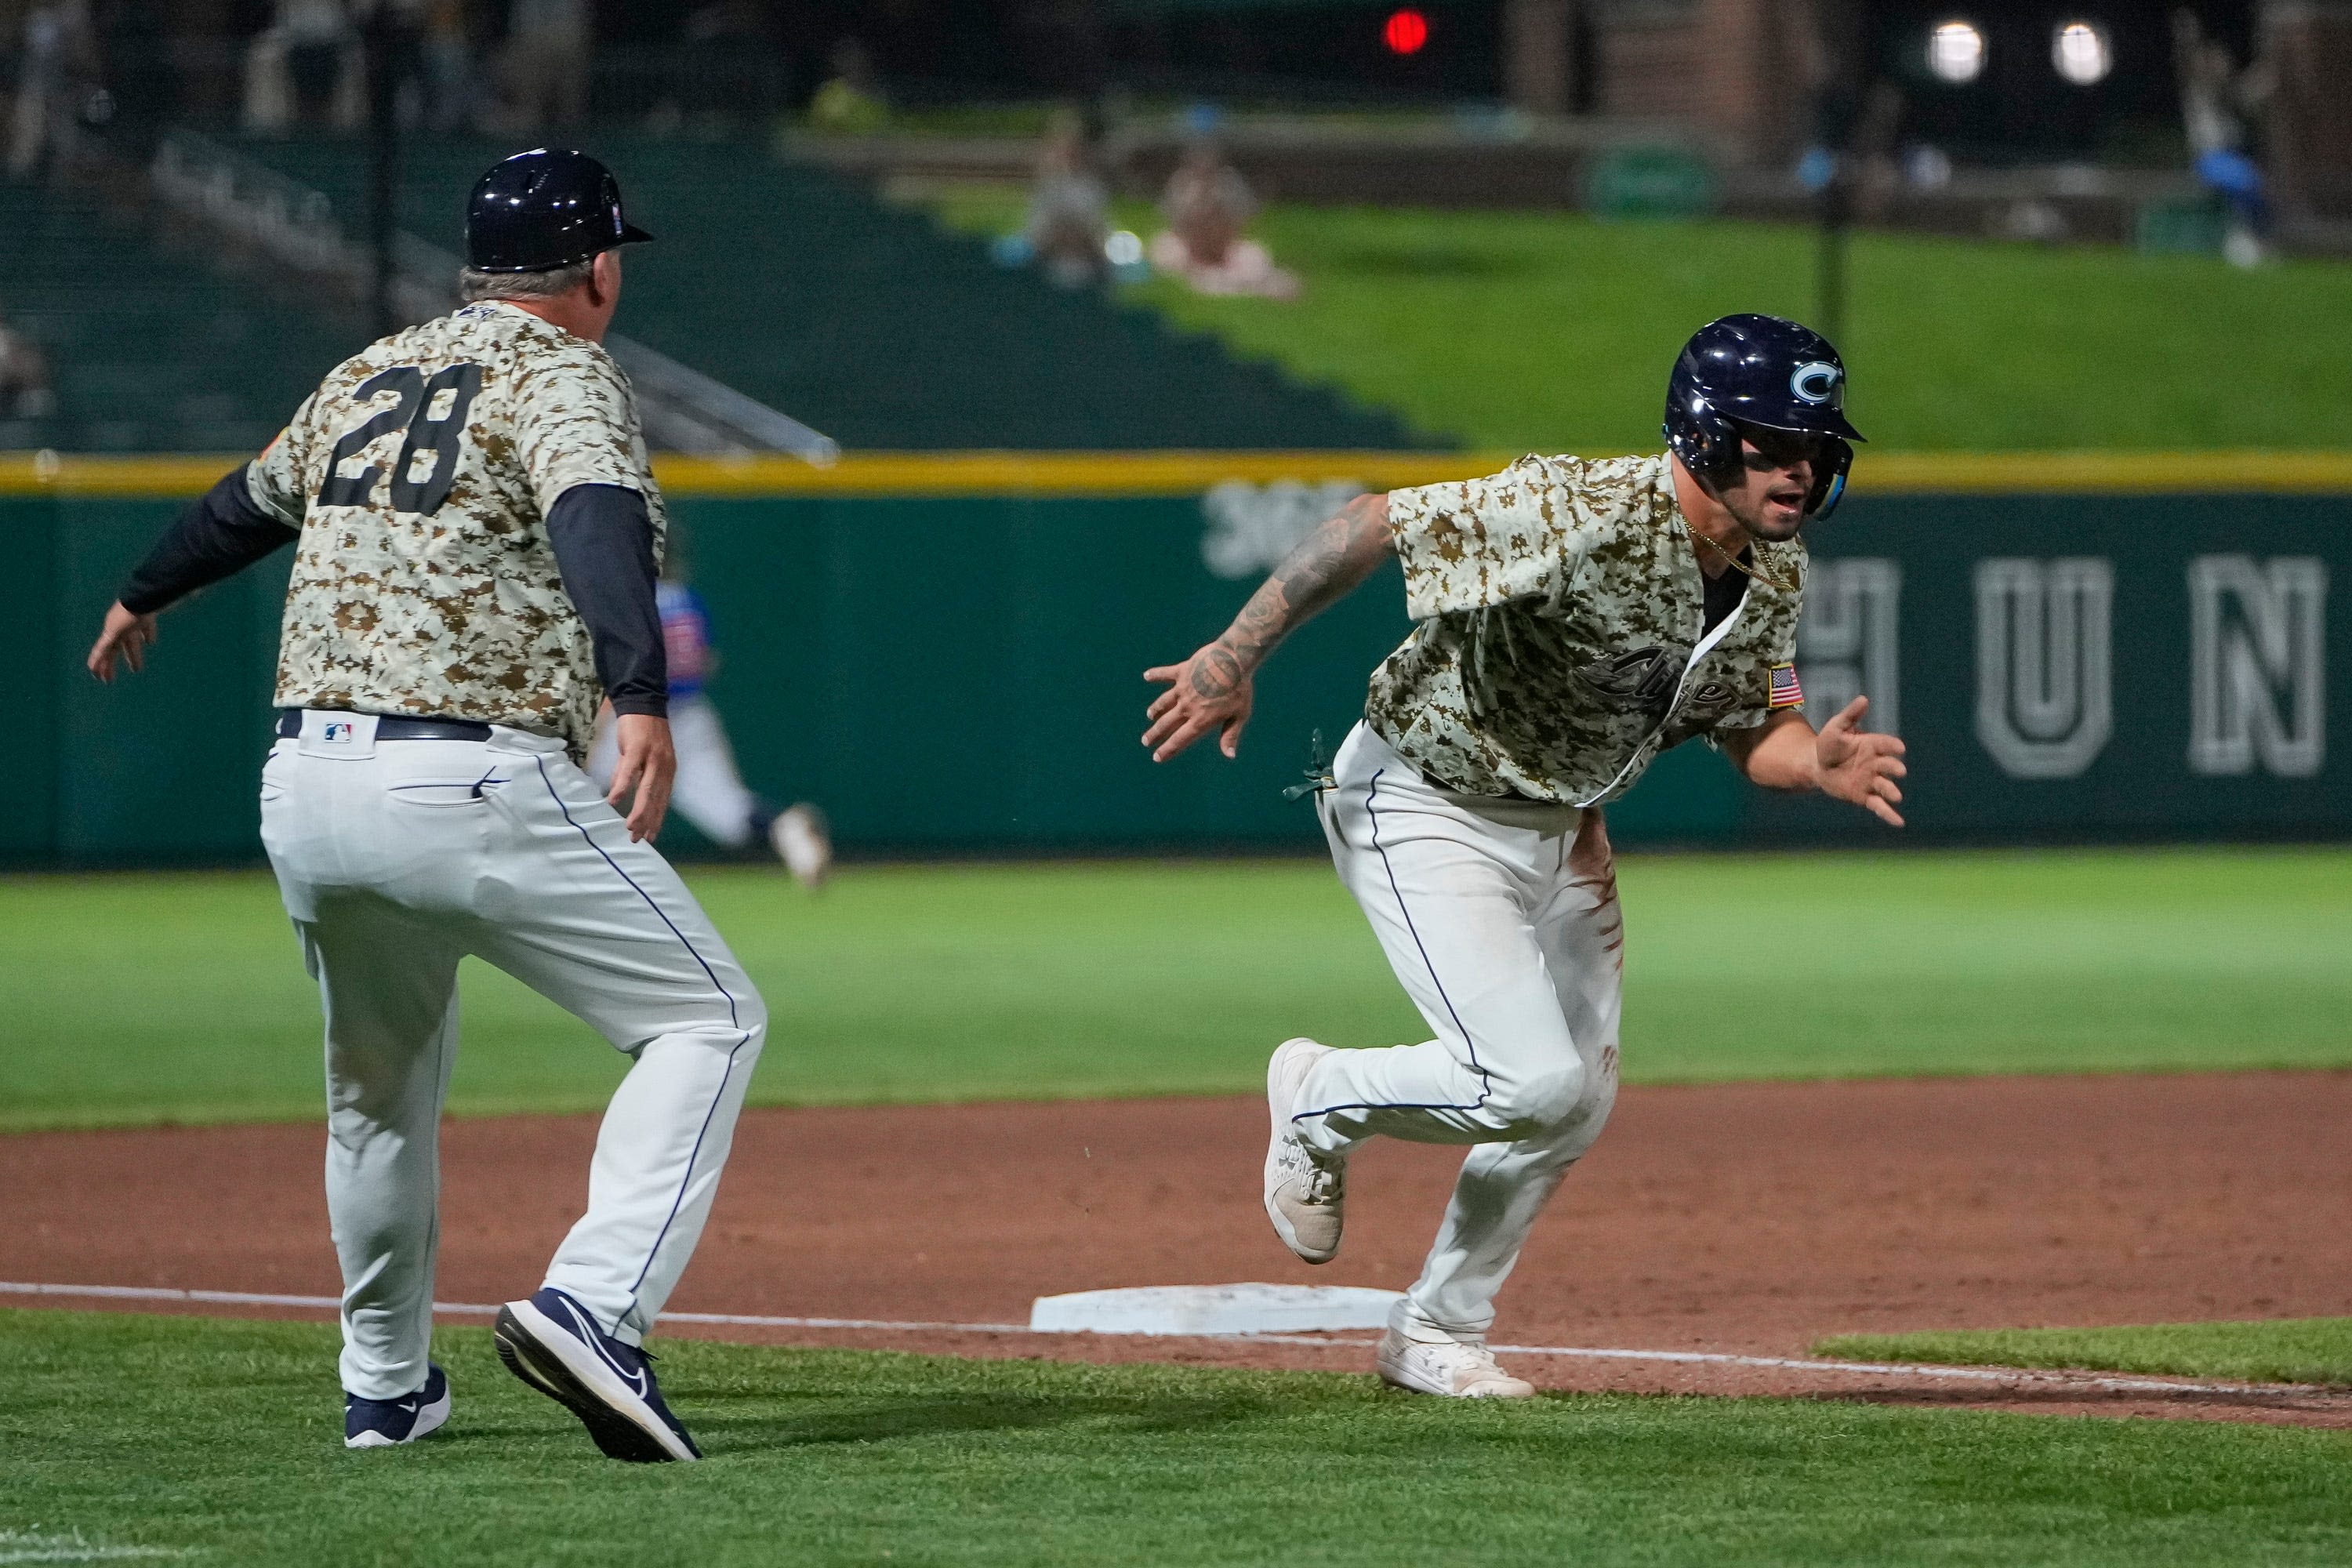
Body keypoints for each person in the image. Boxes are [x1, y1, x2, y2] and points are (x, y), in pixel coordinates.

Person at [85, 149, 765, 1463]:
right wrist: (641, 694)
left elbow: (243, 506)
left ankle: (386, 1389)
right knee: (709, 1016)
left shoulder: (370, 371)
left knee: (378, 1097)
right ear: (598, 270)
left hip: (306, 787)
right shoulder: (564, 368)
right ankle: (598, 1309)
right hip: (467, 775)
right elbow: (594, 516)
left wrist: (140, 588)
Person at [1142, 314, 1905, 1398]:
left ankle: (1437, 1331)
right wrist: (1230, 655)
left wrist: (1810, 761)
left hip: (1561, 828)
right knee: (1531, 1079)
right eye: (1773, 443)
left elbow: (1759, 719)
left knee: (1573, 1102)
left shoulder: (1774, 572)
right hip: (1422, 797)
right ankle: (1320, 1095)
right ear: (1702, 434)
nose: (1801, 469)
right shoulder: (1580, 508)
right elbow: (1370, 525)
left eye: (1818, 448)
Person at [586, 573, 833, 886]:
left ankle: (589, 874)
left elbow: (618, 663)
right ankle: (785, 827)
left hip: (634, 713)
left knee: (589, 791)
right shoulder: (686, 598)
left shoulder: (626, 594)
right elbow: (706, 660)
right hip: (690, 713)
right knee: (727, 813)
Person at [1148, 140, 1298, 300]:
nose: (1209, 231)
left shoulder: (1248, 255)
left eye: (1217, 224)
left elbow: (1285, 288)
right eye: (1202, 224)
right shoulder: (1170, 252)